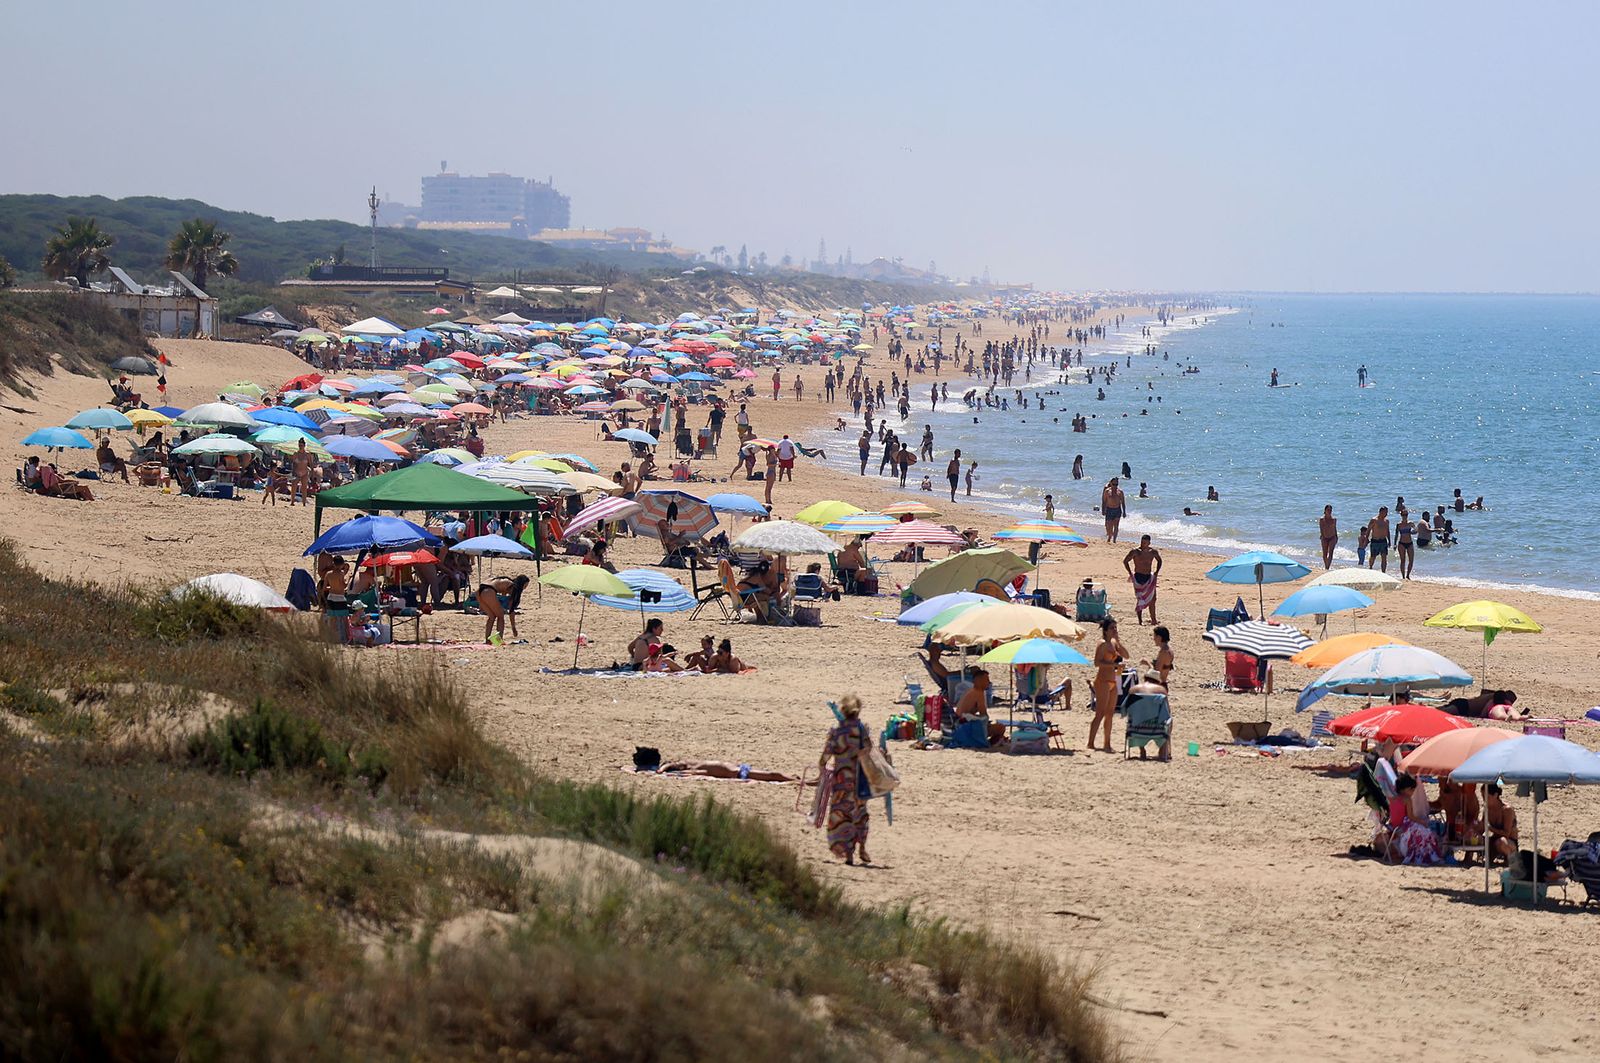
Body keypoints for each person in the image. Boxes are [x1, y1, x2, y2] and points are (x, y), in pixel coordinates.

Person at [819, 695, 874, 865]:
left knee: (843, 816)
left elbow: (826, 756)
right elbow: (868, 748)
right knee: (860, 814)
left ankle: (848, 853)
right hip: (859, 779)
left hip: (841, 781)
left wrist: (822, 767)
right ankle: (862, 847)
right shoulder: (861, 729)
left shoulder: (836, 732)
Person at [1388, 773, 1446, 865]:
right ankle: (1429, 856)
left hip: (1394, 825)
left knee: (1423, 830)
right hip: (1404, 825)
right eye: (1412, 790)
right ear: (1406, 789)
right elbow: (1411, 817)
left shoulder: (1392, 798)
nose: (1413, 793)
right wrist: (1422, 822)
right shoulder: (1407, 799)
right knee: (1427, 832)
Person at [1090, 618, 1126, 752]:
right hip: (1103, 681)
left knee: (1110, 713)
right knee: (1100, 713)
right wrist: (1114, 664)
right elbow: (1097, 663)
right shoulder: (1102, 644)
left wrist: (1119, 641)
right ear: (1105, 630)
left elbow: (1126, 655)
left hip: (1113, 680)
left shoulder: (1114, 643)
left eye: (1116, 628)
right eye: (1112, 628)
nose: (1115, 630)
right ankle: (1090, 742)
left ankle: (1107, 743)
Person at [476, 574, 530, 645]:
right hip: (489, 591)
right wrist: (513, 627)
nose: (525, 588)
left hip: (479, 591)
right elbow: (511, 610)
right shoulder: (513, 587)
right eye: (525, 586)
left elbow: (502, 594)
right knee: (500, 616)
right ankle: (498, 641)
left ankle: (487, 640)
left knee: (492, 617)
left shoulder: (505, 581)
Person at [954, 668, 1003, 744]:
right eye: (986, 680)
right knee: (1000, 728)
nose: (988, 682)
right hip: (966, 727)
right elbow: (984, 715)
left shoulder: (971, 691)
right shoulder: (979, 693)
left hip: (959, 724)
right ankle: (990, 744)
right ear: (979, 681)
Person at [1122, 534, 1162, 625]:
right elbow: (1125, 561)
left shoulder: (1153, 552)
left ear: (1149, 542)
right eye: (1142, 541)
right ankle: (1140, 621)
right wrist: (1130, 572)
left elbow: (1159, 560)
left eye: (1145, 542)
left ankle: (1153, 620)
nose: (1142, 543)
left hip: (1149, 577)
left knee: (1153, 598)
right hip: (1138, 577)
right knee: (1140, 599)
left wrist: (1156, 572)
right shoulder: (1135, 551)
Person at [1484, 783, 1519, 864]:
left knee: (1501, 842)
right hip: (1494, 839)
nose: (1484, 799)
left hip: (1509, 842)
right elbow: (1482, 825)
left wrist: (1490, 828)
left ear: (1495, 795)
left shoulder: (1506, 810)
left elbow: (1506, 833)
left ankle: (1511, 859)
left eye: (1487, 797)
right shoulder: (1487, 809)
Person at [1366, 506, 1391, 572]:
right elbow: (1368, 530)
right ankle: (1370, 567)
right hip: (1375, 541)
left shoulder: (1386, 521)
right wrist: (1366, 539)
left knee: (1384, 557)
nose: (1386, 514)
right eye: (1385, 512)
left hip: (1383, 541)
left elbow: (1387, 531)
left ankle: (1383, 572)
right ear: (1381, 512)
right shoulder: (1374, 520)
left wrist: (1389, 541)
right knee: (1373, 557)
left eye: (1387, 512)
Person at [1101, 477, 1125, 543]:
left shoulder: (1120, 492)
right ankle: (1109, 536)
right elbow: (1104, 501)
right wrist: (1103, 510)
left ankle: (1114, 540)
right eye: (1114, 484)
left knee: (1116, 525)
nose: (1115, 486)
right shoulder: (1107, 491)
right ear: (1111, 484)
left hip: (1117, 510)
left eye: (1116, 484)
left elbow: (1123, 502)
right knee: (1109, 526)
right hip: (1109, 509)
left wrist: (1124, 512)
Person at [1318, 505, 1338, 569]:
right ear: (1325, 511)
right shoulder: (1321, 520)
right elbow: (1321, 529)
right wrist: (1322, 536)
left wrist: (1336, 537)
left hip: (1332, 537)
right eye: (1328, 510)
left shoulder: (1334, 519)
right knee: (1324, 554)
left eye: (1330, 510)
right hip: (1324, 537)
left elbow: (1335, 529)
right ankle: (1326, 565)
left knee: (1331, 552)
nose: (1329, 511)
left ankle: (1327, 567)